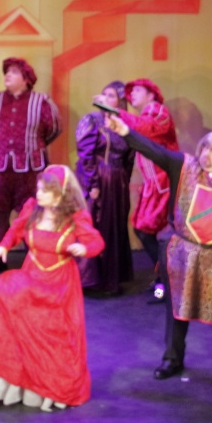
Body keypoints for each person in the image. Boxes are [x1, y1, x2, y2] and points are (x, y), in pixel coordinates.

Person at [107, 116, 212, 395]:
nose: (206, 154)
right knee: (176, 309)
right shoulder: (184, 167)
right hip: (183, 254)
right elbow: (155, 151)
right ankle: (172, 359)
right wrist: (125, 132)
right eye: (204, 147)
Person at [0, 165, 105, 410]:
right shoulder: (32, 209)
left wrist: (84, 248)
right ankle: (20, 383)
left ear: (59, 194)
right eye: (38, 189)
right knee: (15, 317)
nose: (38, 194)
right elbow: (15, 230)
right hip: (32, 276)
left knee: (53, 335)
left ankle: (50, 387)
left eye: (44, 190)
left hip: (59, 284)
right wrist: (3, 246)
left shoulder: (75, 217)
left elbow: (96, 242)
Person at [0, 57, 61, 275]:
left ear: (26, 79)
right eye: (7, 71)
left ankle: (34, 261)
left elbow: (53, 129)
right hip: (0, 167)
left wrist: (33, 146)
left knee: (32, 214)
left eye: (14, 72)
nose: (8, 75)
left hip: (30, 170)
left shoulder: (41, 102)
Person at [110, 78, 179, 299]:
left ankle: (167, 280)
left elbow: (146, 128)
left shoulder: (157, 111)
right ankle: (164, 278)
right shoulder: (145, 114)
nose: (133, 95)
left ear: (151, 94)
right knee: (143, 229)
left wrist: (116, 112)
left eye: (138, 90)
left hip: (164, 184)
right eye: (132, 92)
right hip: (154, 185)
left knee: (150, 231)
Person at [74, 80, 135, 294]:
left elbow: (129, 158)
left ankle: (111, 279)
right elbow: (86, 154)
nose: (106, 99)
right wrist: (92, 182)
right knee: (95, 223)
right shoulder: (93, 120)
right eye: (104, 94)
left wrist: (123, 182)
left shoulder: (125, 125)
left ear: (121, 102)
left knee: (114, 227)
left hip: (117, 182)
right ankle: (90, 279)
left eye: (112, 96)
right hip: (98, 177)